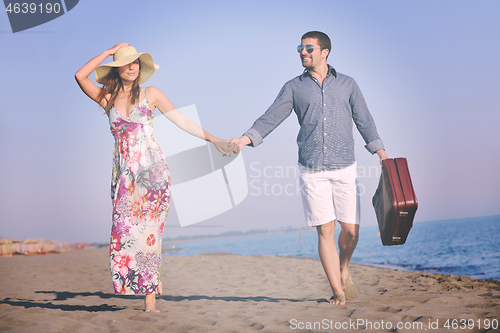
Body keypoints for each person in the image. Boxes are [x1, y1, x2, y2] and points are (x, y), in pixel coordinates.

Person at [230, 31, 388, 305]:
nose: (303, 52)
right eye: (300, 48)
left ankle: (343, 267)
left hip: (345, 167)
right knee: (325, 231)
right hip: (311, 169)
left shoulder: (348, 84)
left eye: (308, 48)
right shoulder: (293, 87)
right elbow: (271, 117)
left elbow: (365, 120)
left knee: (351, 231)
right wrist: (246, 139)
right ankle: (338, 290)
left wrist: (382, 155)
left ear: (324, 52)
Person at [75, 43, 233, 312]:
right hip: (124, 176)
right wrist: (109, 51)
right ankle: (151, 279)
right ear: (116, 68)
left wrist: (214, 139)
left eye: (135, 61)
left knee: (149, 235)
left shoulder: (151, 94)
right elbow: (80, 76)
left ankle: (149, 299)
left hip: (152, 174)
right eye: (125, 62)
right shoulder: (107, 98)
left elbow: (182, 121)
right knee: (124, 233)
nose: (132, 66)